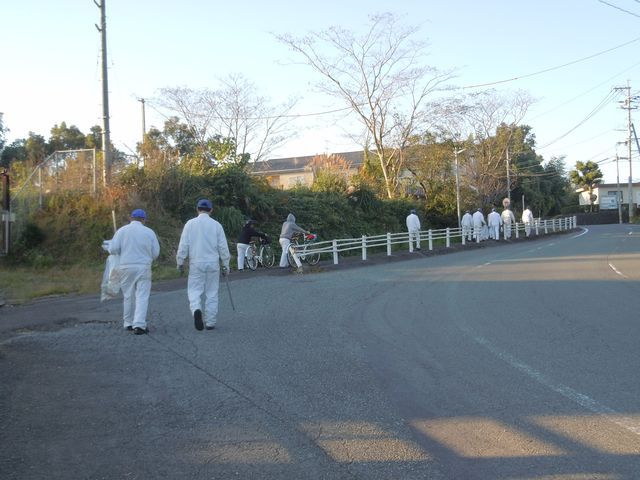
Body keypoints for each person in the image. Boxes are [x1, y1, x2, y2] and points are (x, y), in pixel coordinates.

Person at [176, 199, 231, 331]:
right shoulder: (216, 225)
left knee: (194, 290)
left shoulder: (190, 224)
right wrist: (226, 264)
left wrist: (180, 262)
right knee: (212, 292)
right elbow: (223, 247)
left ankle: (196, 309)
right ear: (211, 210)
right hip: (212, 263)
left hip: (196, 262)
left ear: (197, 209)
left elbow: (183, 245)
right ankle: (210, 322)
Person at [108, 209, 160, 335]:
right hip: (143, 267)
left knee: (128, 295)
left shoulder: (121, 231)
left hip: (125, 266)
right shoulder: (149, 232)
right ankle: (139, 325)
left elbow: (113, 249)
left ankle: (128, 323)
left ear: (131, 218)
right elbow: (155, 253)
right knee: (142, 295)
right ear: (144, 219)